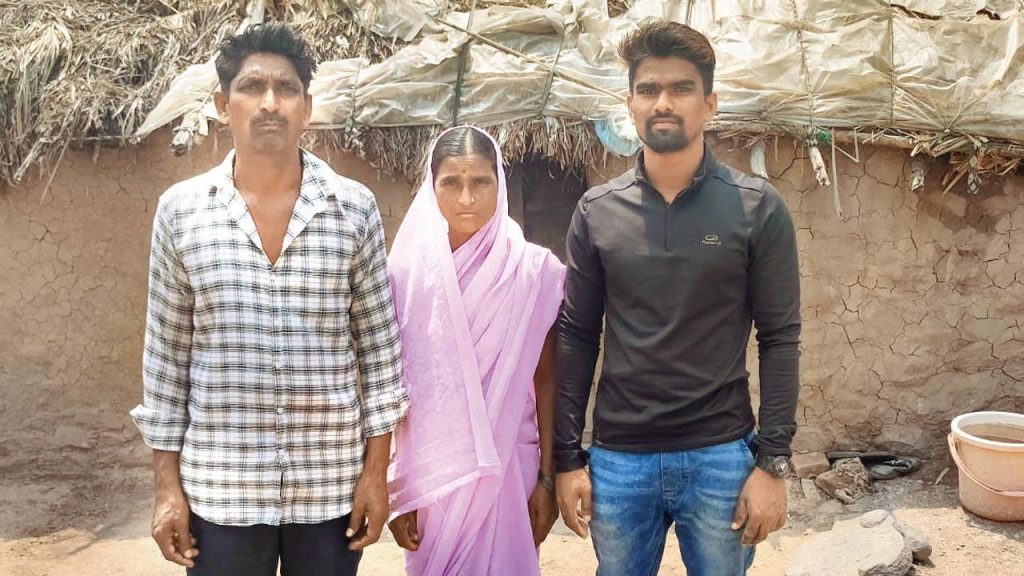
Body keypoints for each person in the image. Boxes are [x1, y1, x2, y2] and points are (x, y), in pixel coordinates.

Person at [129, 23, 409, 576]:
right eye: (252, 87)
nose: (270, 103)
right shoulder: (182, 212)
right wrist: (167, 488)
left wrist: (376, 475)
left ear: (307, 106)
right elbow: (166, 362)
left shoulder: (353, 209)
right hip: (221, 492)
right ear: (221, 104)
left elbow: (380, 357)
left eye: (286, 89)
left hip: (330, 489)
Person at [555, 20, 802, 576]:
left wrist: (772, 462)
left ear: (709, 104)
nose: (663, 102)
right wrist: (568, 458)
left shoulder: (757, 208)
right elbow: (575, 336)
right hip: (619, 458)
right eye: (649, 89)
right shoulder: (598, 211)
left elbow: (781, 338)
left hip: (720, 453)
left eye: (681, 88)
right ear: (630, 104)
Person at [385, 125, 564, 575]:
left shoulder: (531, 271)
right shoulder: (404, 276)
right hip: (432, 475)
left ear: (499, 185)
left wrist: (546, 478)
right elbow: (388, 387)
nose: (466, 197)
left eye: (480, 181)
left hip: (509, 466)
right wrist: (398, 488)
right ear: (431, 187)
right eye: (451, 182)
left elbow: (546, 381)